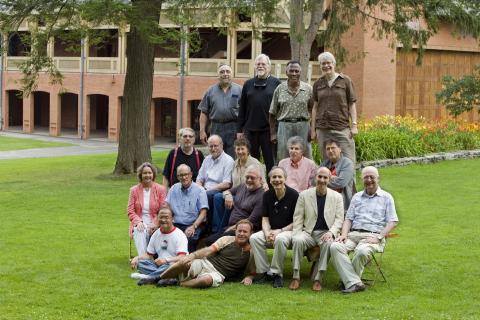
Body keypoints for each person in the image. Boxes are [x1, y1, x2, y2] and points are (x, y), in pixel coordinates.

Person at [330, 166, 399, 294]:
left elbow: (393, 221)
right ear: (362, 179)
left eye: (372, 177)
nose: (369, 180)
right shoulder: (357, 197)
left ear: (378, 178)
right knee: (335, 246)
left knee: (361, 251)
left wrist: (379, 237)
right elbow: (348, 219)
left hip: (372, 236)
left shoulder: (386, 197)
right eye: (366, 177)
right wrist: (344, 234)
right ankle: (354, 283)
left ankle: (349, 282)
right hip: (353, 234)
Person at [289, 167, 344, 291]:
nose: (322, 180)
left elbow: (339, 219)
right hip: (308, 232)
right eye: (320, 177)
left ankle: (319, 278)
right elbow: (298, 217)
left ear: (329, 180)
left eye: (325, 177)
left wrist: (331, 232)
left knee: (328, 243)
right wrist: (296, 234)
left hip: (326, 232)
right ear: (315, 177)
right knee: (297, 241)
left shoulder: (337, 197)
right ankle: (296, 276)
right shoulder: (304, 195)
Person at [159, 219, 255, 288]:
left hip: (218, 274)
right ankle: (157, 278)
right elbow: (209, 250)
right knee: (184, 262)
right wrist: (192, 256)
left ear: (251, 233)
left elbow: (253, 271)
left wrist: (249, 277)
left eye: (245, 232)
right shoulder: (226, 240)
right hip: (205, 263)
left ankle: (177, 284)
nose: (241, 234)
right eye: (239, 231)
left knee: (205, 280)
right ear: (235, 231)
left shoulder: (252, 251)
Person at [249, 167, 299, 288]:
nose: (277, 180)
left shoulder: (294, 195)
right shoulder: (267, 195)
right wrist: (266, 233)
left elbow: (297, 221)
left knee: (280, 239)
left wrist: (279, 231)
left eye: (279, 177)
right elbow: (265, 218)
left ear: (285, 179)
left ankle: (277, 274)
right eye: (274, 177)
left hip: (289, 231)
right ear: (270, 180)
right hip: (271, 230)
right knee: (255, 238)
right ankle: (264, 272)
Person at [211, 137, 268, 233]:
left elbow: (262, 182)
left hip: (248, 195)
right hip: (236, 192)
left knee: (229, 200)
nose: (240, 151)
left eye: (242, 149)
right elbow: (231, 184)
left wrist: (265, 185)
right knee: (218, 197)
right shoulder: (234, 163)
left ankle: (221, 230)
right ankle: (217, 229)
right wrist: (227, 194)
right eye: (238, 149)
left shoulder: (255, 164)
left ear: (248, 150)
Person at [310, 51, 358, 164]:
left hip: (342, 128)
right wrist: (313, 129)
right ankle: (328, 182)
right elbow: (315, 108)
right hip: (323, 129)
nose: (326, 66)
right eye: (323, 63)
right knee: (327, 162)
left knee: (348, 161)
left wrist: (354, 125)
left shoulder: (345, 81)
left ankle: (349, 182)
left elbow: (352, 104)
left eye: (328, 63)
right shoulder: (317, 84)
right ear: (320, 66)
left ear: (334, 64)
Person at [237, 53, 281, 173]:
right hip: (250, 130)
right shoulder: (248, 84)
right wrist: (239, 130)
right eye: (258, 64)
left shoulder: (277, 83)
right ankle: (255, 189)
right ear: (255, 66)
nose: (260, 66)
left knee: (270, 162)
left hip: (269, 131)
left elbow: (280, 108)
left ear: (269, 66)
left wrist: (276, 130)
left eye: (263, 64)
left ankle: (271, 188)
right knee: (252, 162)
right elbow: (242, 108)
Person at [130, 207, 188, 286]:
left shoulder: (179, 235)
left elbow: (182, 257)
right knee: (140, 263)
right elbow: (149, 255)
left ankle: (149, 277)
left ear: (172, 219)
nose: (163, 220)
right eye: (161, 217)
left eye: (166, 217)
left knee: (170, 266)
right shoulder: (156, 234)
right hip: (158, 265)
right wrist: (137, 258)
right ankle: (162, 277)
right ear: (157, 218)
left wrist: (166, 260)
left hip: (172, 264)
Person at [206, 165, 264, 245]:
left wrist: (233, 228)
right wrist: (227, 195)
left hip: (242, 231)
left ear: (260, 179)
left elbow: (250, 220)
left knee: (211, 242)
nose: (249, 180)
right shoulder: (243, 186)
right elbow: (227, 191)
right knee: (209, 240)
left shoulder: (262, 196)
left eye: (252, 178)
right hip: (230, 227)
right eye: (247, 177)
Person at [269, 60, 313, 161]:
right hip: (284, 126)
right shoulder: (279, 89)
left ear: (300, 72)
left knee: (306, 155)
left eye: (296, 71)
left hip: (303, 126)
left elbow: (312, 109)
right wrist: (273, 133)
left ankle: (307, 177)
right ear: (286, 72)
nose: (294, 73)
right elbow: (272, 113)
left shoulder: (308, 89)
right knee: (284, 156)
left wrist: (311, 128)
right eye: (291, 71)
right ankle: (284, 176)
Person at [198, 64, 242, 158]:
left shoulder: (239, 90)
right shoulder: (210, 90)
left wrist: (241, 131)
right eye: (222, 72)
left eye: (228, 71)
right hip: (216, 127)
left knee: (232, 157)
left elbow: (245, 113)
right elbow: (204, 112)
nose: (225, 74)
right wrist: (202, 131)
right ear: (218, 75)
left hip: (234, 127)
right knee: (216, 154)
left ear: (232, 74)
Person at [196, 135, 234, 232]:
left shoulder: (228, 160)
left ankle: (214, 228)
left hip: (220, 190)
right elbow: (200, 178)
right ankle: (198, 224)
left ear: (221, 145)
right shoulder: (207, 159)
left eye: (215, 146)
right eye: (211, 146)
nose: (213, 148)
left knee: (209, 196)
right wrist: (199, 189)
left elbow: (227, 183)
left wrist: (206, 191)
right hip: (205, 189)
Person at [166, 164, 208, 252]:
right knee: (164, 235)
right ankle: (166, 260)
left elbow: (203, 213)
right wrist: (168, 222)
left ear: (191, 174)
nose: (184, 177)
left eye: (186, 174)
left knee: (189, 239)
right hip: (177, 223)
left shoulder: (200, 190)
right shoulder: (173, 189)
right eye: (181, 175)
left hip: (195, 224)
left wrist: (193, 226)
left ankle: (187, 262)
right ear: (177, 176)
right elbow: (168, 208)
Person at [127, 162, 167, 256]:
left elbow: (163, 210)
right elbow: (130, 211)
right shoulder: (134, 190)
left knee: (149, 231)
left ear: (153, 174)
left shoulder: (160, 189)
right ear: (141, 175)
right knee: (139, 230)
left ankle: (145, 259)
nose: (147, 175)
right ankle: (144, 259)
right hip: (140, 222)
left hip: (155, 222)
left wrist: (154, 224)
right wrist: (138, 222)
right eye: (145, 173)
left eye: (150, 173)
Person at [321, 139, 355, 211]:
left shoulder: (347, 163)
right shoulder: (325, 163)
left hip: (342, 201)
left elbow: (341, 183)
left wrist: (323, 179)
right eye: (328, 149)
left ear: (340, 149)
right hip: (324, 198)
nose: (330, 151)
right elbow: (315, 180)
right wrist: (332, 178)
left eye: (333, 148)